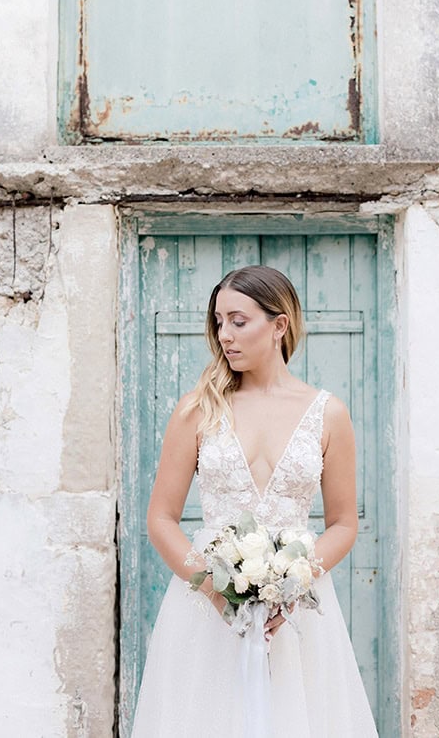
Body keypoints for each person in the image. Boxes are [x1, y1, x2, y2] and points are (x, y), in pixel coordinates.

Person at [131, 265, 379, 737]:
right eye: (219, 321)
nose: (224, 334)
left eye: (238, 321)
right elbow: (161, 518)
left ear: (279, 324)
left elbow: (344, 523)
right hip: (207, 612)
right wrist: (215, 590)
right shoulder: (198, 409)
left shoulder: (328, 414)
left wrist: (291, 587)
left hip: (297, 611)